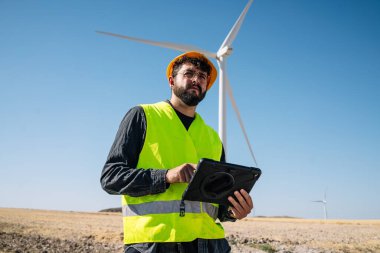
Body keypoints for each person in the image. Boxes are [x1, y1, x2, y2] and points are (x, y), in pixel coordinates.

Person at [101, 51, 253, 253]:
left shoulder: (213, 137)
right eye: (189, 73)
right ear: (172, 81)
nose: (196, 80)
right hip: (154, 244)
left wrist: (234, 211)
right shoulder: (143, 116)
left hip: (210, 245)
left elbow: (216, 205)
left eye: (202, 77)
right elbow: (111, 178)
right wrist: (165, 176)